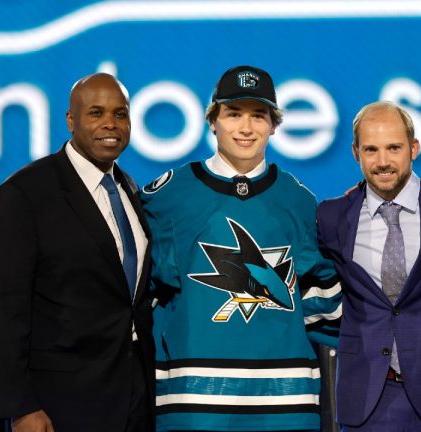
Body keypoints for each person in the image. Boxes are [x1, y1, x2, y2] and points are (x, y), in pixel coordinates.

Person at [142, 65, 341, 432]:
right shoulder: (167, 198)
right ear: (212, 120)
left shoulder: (298, 201)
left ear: (274, 125)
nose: (246, 128)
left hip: (285, 408)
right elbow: (140, 300)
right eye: (233, 114)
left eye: (258, 115)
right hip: (194, 409)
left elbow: (324, 306)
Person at [0, 73, 154, 432]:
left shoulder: (129, 188)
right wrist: (20, 406)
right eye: (96, 113)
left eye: (121, 114)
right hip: (61, 404)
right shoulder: (25, 194)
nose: (110, 124)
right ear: (71, 120)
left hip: (134, 398)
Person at [317, 101, 421, 431]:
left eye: (394, 148)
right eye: (371, 149)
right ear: (355, 152)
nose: (383, 162)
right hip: (365, 397)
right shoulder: (332, 216)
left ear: (414, 147)